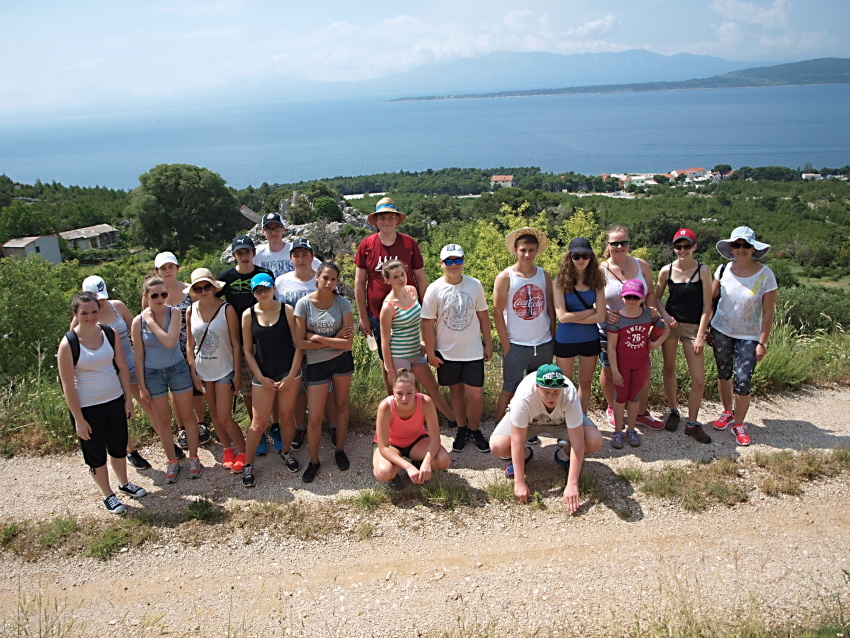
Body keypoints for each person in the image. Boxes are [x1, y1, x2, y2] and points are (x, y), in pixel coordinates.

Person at [58, 292, 147, 514]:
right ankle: (108, 494)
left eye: (94, 311)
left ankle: (124, 483)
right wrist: (79, 419)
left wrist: (128, 399)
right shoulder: (68, 344)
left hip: (114, 400)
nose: (90, 317)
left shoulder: (109, 333)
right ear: (75, 314)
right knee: (96, 454)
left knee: (119, 445)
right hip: (87, 407)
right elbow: (68, 385)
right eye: (84, 313)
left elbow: (122, 367)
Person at [489, 364, 602, 514]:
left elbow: (578, 441)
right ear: (537, 387)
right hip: (529, 423)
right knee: (497, 445)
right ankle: (524, 456)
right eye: (546, 392)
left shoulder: (569, 393)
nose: (551, 397)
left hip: (561, 422)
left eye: (556, 392)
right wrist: (519, 482)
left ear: (562, 388)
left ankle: (563, 456)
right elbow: (517, 440)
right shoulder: (524, 395)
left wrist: (572, 484)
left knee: (594, 440)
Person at [72, 276, 152, 469]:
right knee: (118, 416)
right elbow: (74, 347)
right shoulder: (80, 318)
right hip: (106, 372)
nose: (100, 303)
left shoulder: (117, 306)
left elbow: (136, 330)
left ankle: (168, 444)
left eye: (101, 298)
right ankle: (130, 450)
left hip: (130, 364)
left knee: (149, 405)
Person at [421, 243, 492, 453]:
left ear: (463, 261)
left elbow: (483, 315)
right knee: (456, 392)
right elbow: (427, 323)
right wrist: (431, 353)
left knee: (475, 396)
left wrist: (488, 343)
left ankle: (474, 429)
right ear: (441, 263)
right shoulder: (434, 289)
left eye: (458, 260)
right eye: (449, 261)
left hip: (473, 351)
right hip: (447, 352)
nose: (453, 264)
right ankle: (462, 429)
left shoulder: (475, 285)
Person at [710, 226, 777, 446]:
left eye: (746, 245)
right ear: (731, 247)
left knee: (743, 380)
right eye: (737, 245)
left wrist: (762, 342)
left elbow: (768, 311)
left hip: (749, 335)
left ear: (753, 248)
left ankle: (738, 424)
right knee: (724, 374)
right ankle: (727, 411)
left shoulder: (765, 274)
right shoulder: (723, 270)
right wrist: (706, 329)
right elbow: (711, 300)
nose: (741, 249)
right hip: (721, 329)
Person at [354, 197, 428, 394]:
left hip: (409, 313)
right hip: (378, 314)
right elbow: (360, 282)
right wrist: (363, 316)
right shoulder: (367, 245)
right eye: (382, 217)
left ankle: (414, 401)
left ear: (397, 220)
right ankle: (393, 399)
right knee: (385, 357)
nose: (386, 221)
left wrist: (426, 310)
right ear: (375, 221)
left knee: (414, 358)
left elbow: (420, 277)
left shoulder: (409, 243)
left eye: (390, 217)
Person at [132, 275, 200, 482]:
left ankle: (194, 457)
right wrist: (141, 385)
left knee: (188, 416)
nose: (160, 299)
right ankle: (172, 460)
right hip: (152, 374)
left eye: (163, 294)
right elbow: (138, 355)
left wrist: (150, 320)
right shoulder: (137, 322)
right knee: (162, 420)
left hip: (177, 369)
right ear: (146, 296)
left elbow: (170, 341)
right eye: (155, 296)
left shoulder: (174, 313)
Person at [240, 273, 304, 487]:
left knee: (286, 417)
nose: (263, 293)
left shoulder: (287, 310)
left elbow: (298, 345)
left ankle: (286, 452)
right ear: (253, 293)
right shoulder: (248, 315)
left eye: (266, 288)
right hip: (263, 373)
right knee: (258, 423)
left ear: (273, 288)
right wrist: (260, 377)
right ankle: (248, 464)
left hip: (288, 370)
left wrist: (291, 375)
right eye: (258, 290)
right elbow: (247, 351)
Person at [599, 225, 665, 430]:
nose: (619, 246)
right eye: (615, 243)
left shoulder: (641, 265)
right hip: (610, 328)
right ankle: (613, 407)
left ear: (629, 244)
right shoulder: (600, 270)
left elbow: (650, 292)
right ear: (607, 245)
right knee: (610, 370)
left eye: (624, 242)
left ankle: (640, 412)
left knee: (641, 370)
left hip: (638, 327)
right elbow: (592, 298)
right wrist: (603, 314)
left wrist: (651, 310)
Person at [275, 237, 337, 451]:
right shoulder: (280, 282)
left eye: (305, 254)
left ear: (312, 257)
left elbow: (334, 305)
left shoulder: (321, 279)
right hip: (292, 343)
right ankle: (300, 427)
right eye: (296, 255)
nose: (301, 259)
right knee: (298, 387)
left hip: (320, 340)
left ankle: (333, 425)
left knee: (327, 385)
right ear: (291, 258)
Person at [294, 263, 354, 483]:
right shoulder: (304, 305)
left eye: (333, 279)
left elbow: (347, 344)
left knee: (341, 406)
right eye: (325, 278)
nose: (329, 283)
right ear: (317, 277)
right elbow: (300, 343)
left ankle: (339, 449)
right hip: (316, 365)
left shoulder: (343, 303)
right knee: (315, 416)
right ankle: (314, 460)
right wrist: (334, 339)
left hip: (342, 361)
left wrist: (317, 338)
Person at [493, 227, 555, 430]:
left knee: (539, 389)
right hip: (517, 343)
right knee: (510, 388)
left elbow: (550, 308)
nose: (527, 254)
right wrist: (506, 345)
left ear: (537, 251)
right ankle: (500, 428)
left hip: (543, 342)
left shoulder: (544, 276)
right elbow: (497, 312)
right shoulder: (506, 277)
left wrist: (553, 337)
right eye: (523, 250)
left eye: (531, 250)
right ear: (515, 250)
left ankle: (531, 427)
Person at [186, 268, 248, 473]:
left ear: (214, 287)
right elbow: (190, 344)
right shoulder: (190, 310)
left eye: (207, 287)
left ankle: (244, 451)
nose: (203, 291)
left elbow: (236, 344)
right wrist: (193, 371)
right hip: (203, 370)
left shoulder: (226, 309)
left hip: (224, 369)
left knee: (224, 416)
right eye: (198, 288)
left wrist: (237, 374)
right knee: (213, 414)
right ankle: (227, 449)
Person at [146, 251, 210, 449]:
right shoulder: (153, 292)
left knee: (196, 387)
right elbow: (146, 320)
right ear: (157, 271)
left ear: (177, 268)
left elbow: (199, 315)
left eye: (171, 267)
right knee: (176, 390)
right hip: (166, 350)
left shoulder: (188, 290)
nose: (168, 271)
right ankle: (182, 427)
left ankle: (201, 424)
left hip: (190, 345)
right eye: (163, 268)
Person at [655, 229, 713, 444]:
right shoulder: (666, 270)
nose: (682, 250)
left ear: (694, 247)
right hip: (671, 326)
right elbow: (656, 298)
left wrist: (701, 334)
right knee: (669, 369)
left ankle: (692, 423)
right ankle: (673, 411)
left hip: (692, 328)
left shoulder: (703, 270)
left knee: (698, 379)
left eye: (687, 246)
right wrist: (665, 316)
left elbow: (707, 305)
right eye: (678, 246)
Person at [379, 259, 456, 421]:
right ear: (387, 280)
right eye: (395, 277)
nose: (401, 279)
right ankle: (404, 425)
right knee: (406, 394)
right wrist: (390, 371)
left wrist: (422, 340)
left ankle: (453, 420)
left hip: (416, 352)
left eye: (402, 274)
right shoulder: (388, 307)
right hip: (399, 356)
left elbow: (421, 319)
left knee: (432, 387)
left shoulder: (412, 291)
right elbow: (384, 342)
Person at [217, 235, 274, 424]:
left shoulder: (264, 273)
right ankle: (256, 426)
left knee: (270, 383)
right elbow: (211, 299)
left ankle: (274, 424)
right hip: (240, 342)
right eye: (239, 253)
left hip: (266, 339)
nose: (244, 256)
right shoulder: (226, 278)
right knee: (248, 389)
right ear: (234, 255)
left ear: (254, 252)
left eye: (247, 252)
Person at [606, 280, 670, 449]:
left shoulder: (648, 315)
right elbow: (611, 347)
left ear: (642, 298)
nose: (632, 300)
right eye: (628, 297)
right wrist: (615, 370)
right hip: (622, 366)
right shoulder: (616, 318)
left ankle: (631, 429)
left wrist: (656, 343)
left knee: (634, 397)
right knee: (620, 398)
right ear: (622, 297)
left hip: (641, 365)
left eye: (636, 297)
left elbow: (665, 327)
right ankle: (618, 431)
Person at [552, 237, 606, 414]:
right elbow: (562, 317)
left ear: (591, 257)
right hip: (566, 339)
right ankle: (564, 418)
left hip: (589, 338)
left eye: (585, 255)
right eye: (576, 256)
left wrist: (573, 317)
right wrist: (591, 311)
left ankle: (581, 418)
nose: (581, 259)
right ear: (570, 257)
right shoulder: (559, 282)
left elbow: (601, 316)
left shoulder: (597, 280)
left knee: (585, 382)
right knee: (564, 382)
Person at [372, 369, 452, 485]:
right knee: (384, 473)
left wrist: (427, 462)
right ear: (393, 391)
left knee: (443, 460)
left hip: (417, 441)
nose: (404, 398)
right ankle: (394, 473)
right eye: (399, 393)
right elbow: (383, 447)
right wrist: (407, 466)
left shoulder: (426, 402)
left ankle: (419, 464)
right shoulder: (385, 406)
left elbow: (435, 438)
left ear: (416, 391)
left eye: (409, 393)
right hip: (391, 445)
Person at [253, 212, 321, 279]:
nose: (273, 232)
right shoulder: (257, 253)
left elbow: (319, 267)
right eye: (268, 229)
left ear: (283, 229)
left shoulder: (294, 250)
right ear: (263, 232)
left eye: (277, 228)